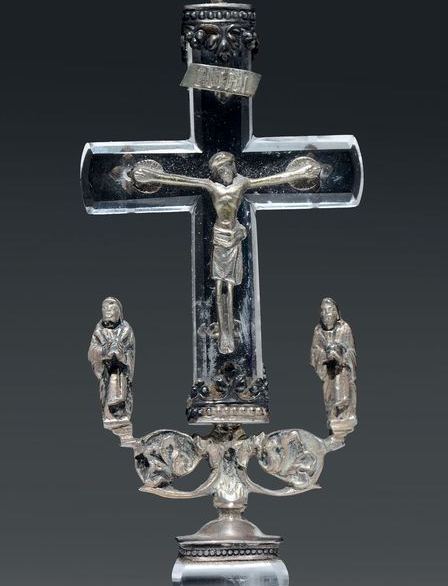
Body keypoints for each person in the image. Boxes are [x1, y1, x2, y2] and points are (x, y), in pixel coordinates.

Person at [132, 150, 320, 353]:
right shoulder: (211, 186)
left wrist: (299, 173)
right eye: (221, 170)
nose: (225, 173)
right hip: (219, 238)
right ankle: (223, 333)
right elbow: (184, 180)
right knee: (218, 284)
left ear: (233, 167)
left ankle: (228, 334)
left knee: (230, 286)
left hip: (234, 237)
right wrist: (153, 176)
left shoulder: (242, 183)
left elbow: (268, 180)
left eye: (228, 168)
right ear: (217, 173)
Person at [310, 297, 356, 431]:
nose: (326, 314)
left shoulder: (344, 329)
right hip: (328, 373)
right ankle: (333, 418)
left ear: (337, 313)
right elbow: (314, 352)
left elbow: (351, 351)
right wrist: (325, 355)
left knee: (343, 400)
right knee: (330, 400)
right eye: (323, 310)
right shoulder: (318, 331)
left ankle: (344, 417)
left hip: (342, 373)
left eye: (330, 310)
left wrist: (340, 357)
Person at [88, 297, 135, 426]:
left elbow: (130, 351)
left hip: (120, 373)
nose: (107, 311)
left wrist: (121, 355)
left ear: (118, 312)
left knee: (121, 396)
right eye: (105, 309)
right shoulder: (98, 331)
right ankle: (109, 414)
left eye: (111, 309)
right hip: (107, 373)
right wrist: (104, 352)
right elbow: (92, 351)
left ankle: (120, 414)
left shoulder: (126, 330)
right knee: (107, 395)